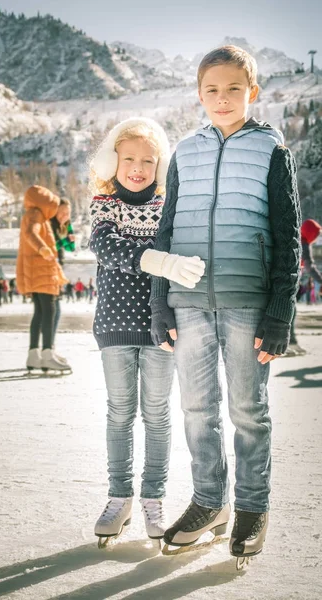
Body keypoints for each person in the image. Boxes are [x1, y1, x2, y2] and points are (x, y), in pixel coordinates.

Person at [149, 45, 301, 563]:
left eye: (233, 88)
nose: (222, 98)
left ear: (252, 92)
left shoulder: (272, 151)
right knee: (196, 410)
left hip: (246, 303)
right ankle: (209, 501)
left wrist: (281, 310)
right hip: (187, 302)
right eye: (211, 89)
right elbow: (166, 231)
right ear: (198, 94)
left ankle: (252, 507)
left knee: (247, 411)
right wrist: (160, 302)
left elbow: (287, 237)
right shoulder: (185, 153)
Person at [89, 117, 205, 544]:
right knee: (120, 414)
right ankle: (119, 498)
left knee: (156, 415)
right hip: (115, 326)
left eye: (148, 160)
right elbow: (105, 246)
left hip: (161, 328)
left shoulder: (166, 207)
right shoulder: (105, 204)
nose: (137, 167)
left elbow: (179, 254)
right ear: (112, 162)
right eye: (129, 158)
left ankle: (153, 499)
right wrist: (156, 259)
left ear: (160, 166)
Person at [16, 185, 71, 372]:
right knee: (49, 311)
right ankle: (47, 353)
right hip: (42, 271)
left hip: (38, 271)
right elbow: (31, 233)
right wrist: (43, 249)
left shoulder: (36, 215)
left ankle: (34, 354)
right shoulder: (36, 215)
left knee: (40, 312)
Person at [288, 218, 322, 355]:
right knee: (290, 312)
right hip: (288, 281)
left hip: (288, 280)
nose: (317, 237)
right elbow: (309, 265)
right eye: (317, 233)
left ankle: (291, 343)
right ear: (311, 232)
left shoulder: (296, 238)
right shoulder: (304, 242)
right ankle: (289, 343)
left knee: (290, 311)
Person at [50, 197, 75, 351]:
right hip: (49, 268)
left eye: (67, 213)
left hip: (58, 269)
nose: (64, 215)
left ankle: (49, 344)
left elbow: (72, 247)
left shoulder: (67, 225)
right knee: (53, 310)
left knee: (55, 309)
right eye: (61, 212)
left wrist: (67, 240)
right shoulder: (50, 225)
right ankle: (47, 345)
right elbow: (51, 246)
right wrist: (65, 241)